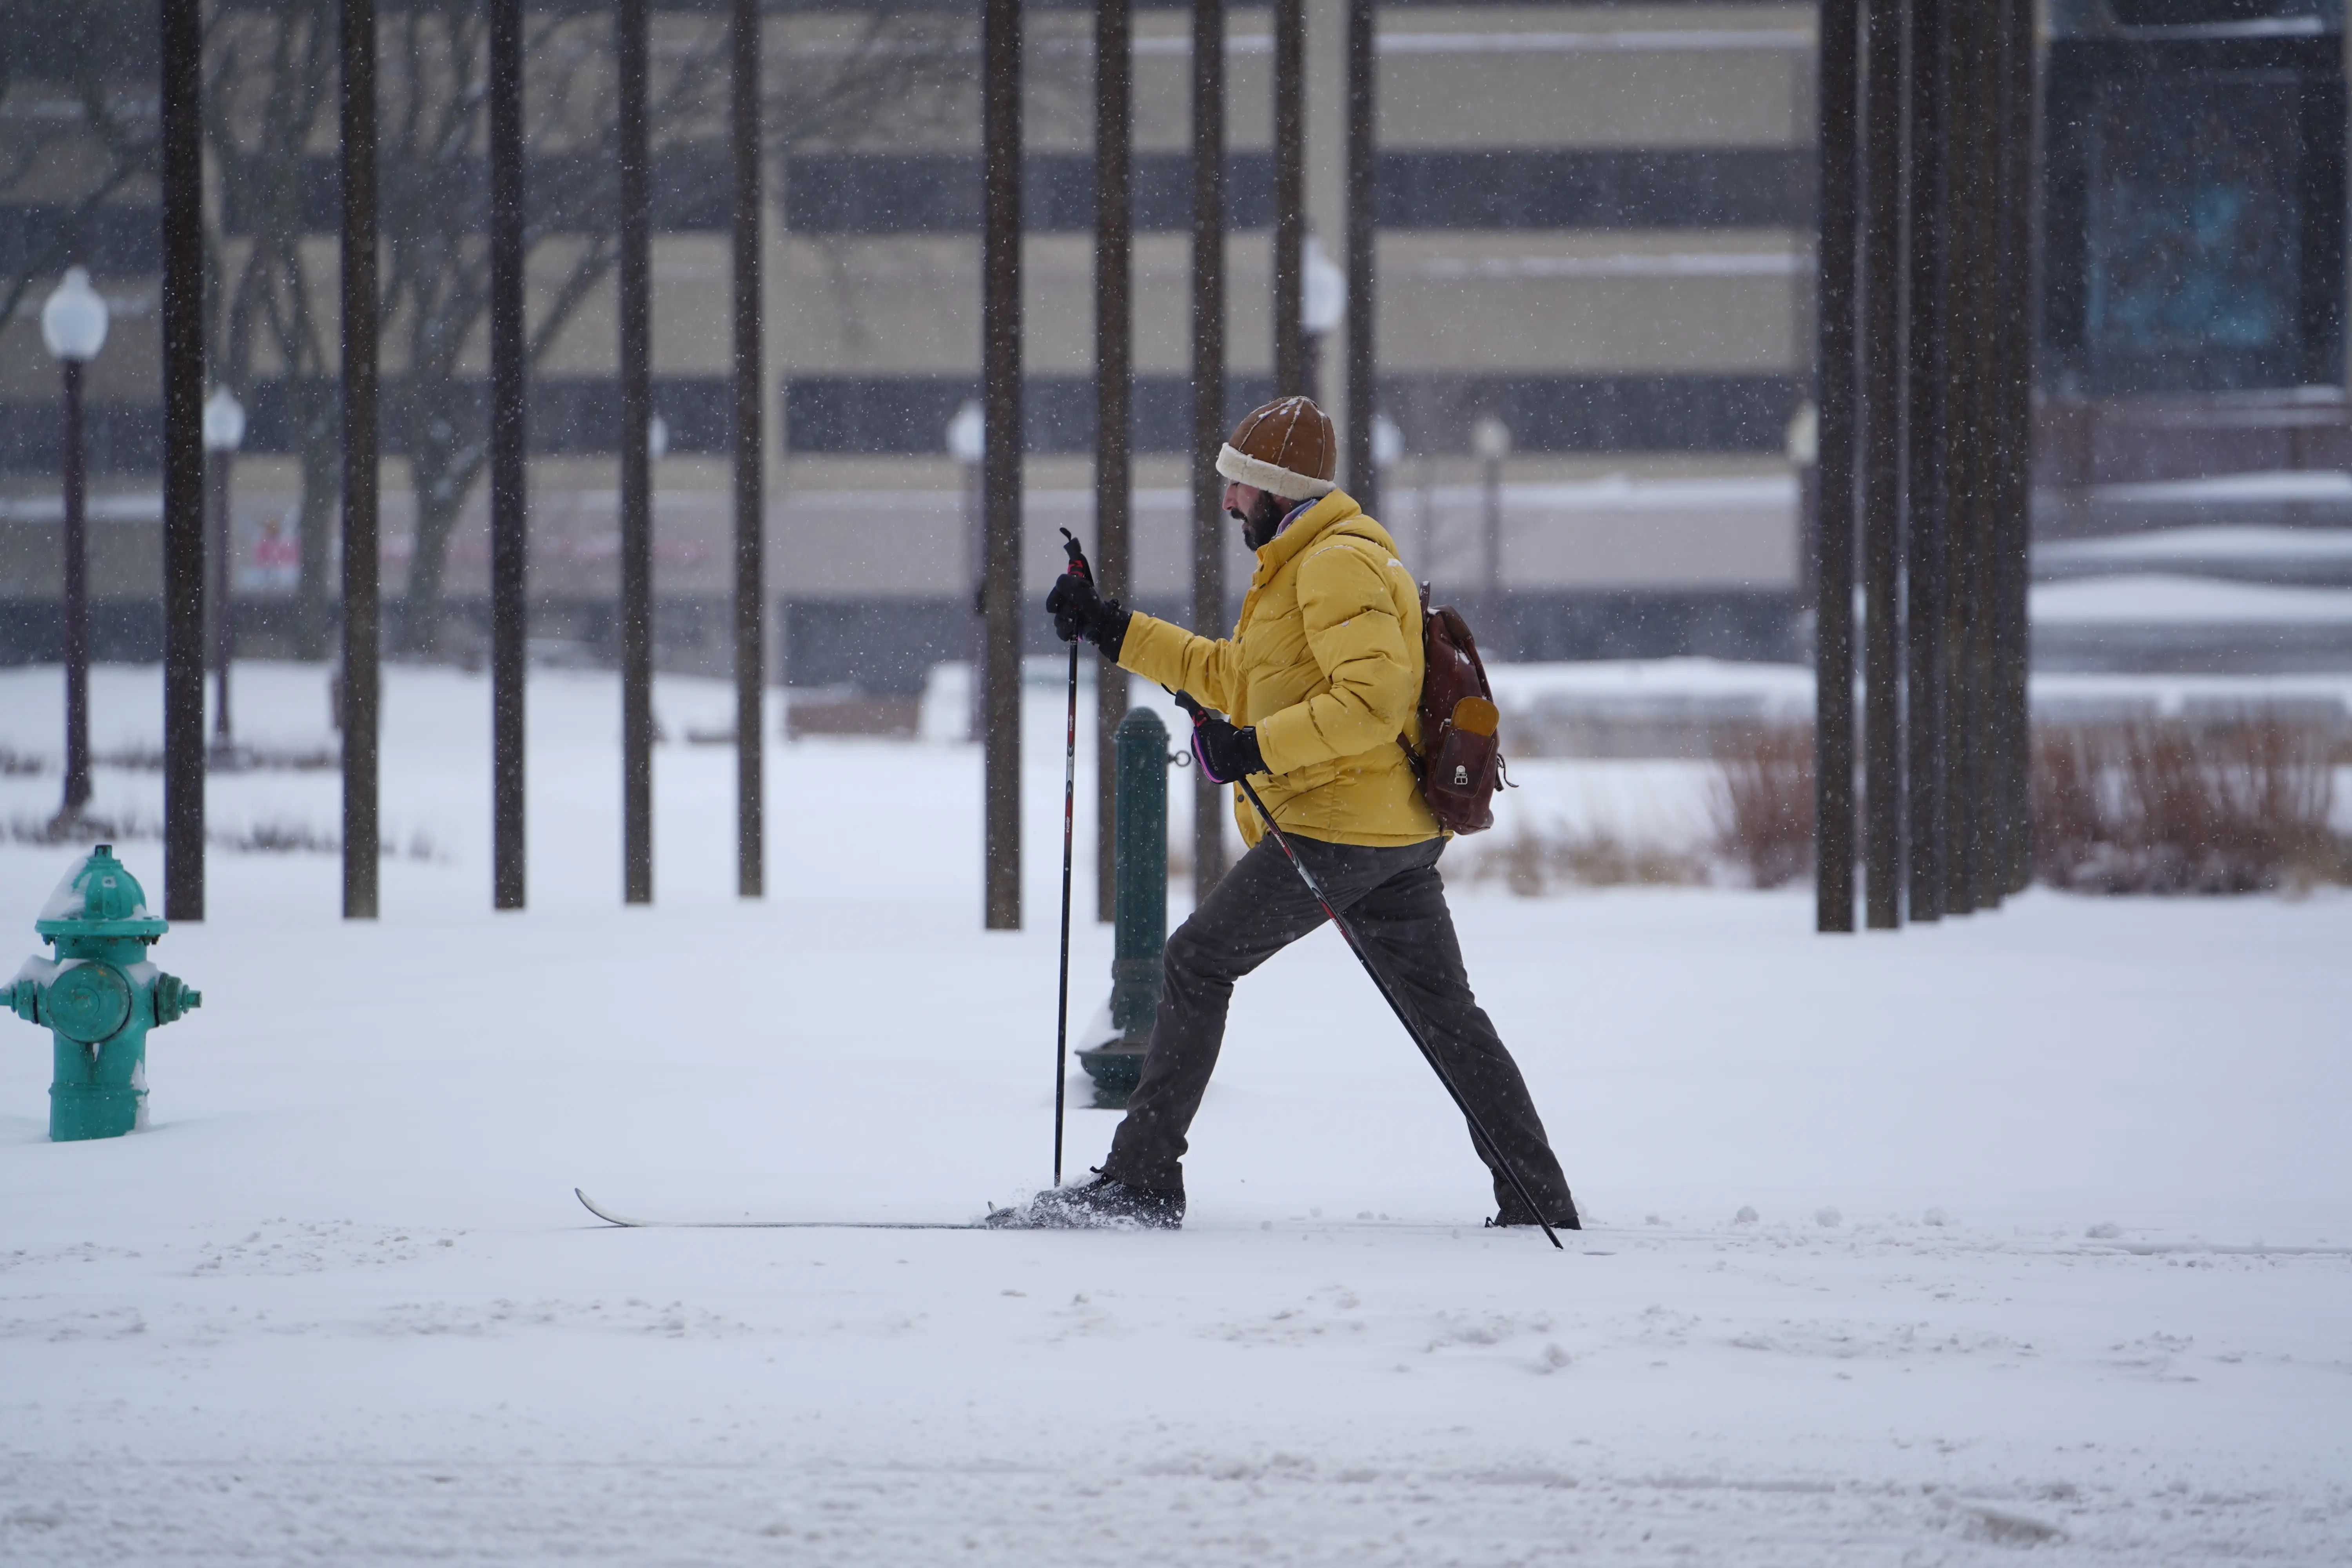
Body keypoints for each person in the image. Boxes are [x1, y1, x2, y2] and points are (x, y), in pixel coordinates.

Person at [1000, 396, 1579, 1232]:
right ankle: (1538, 1196)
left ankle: (1142, 1179)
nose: (1228, 501)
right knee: (1449, 1017)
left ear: (1276, 489)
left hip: (1339, 828)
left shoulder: (1334, 563)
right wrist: (1111, 626)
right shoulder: (1302, 563)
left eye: (1238, 486)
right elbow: (1233, 675)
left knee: (1198, 962)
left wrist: (1253, 750)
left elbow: (1371, 702)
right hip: (1389, 832)